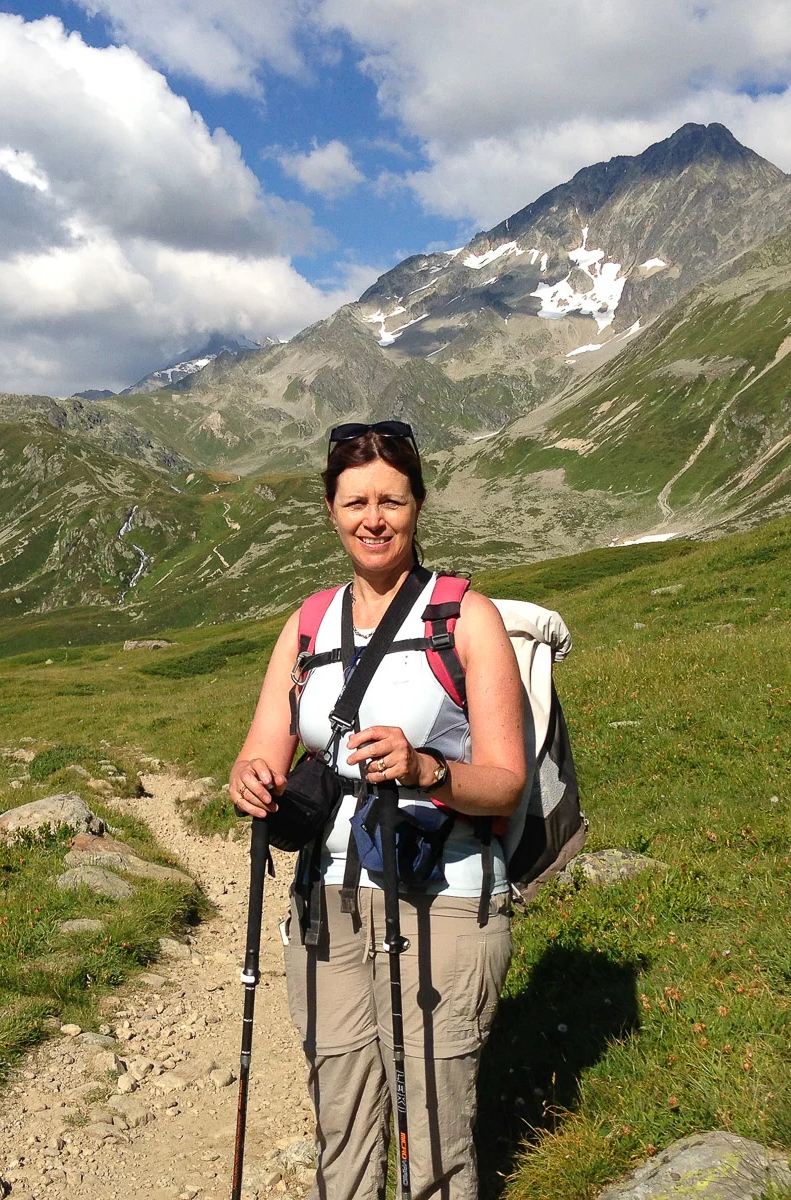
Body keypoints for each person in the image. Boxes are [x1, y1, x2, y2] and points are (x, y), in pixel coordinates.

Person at [229, 420, 528, 1200]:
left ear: (418, 505)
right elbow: (260, 749)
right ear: (330, 509)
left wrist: (427, 767)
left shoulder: (468, 618)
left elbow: (506, 782)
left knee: (432, 1137)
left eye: (391, 500)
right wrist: (251, 781)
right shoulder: (305, 625)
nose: (373, 518)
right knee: (344, 1130)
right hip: (325, 902)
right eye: (355, 501)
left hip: (446, 901)